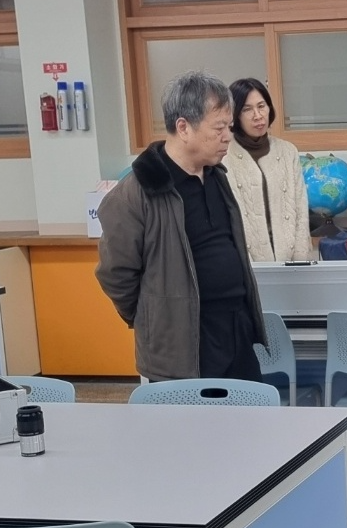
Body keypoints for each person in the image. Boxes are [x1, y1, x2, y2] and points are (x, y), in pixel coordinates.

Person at [96, 70, 266, 382]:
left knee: (247, 426)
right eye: (219, 128)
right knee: (191, 430)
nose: (228, 136)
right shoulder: (136, 193)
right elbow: (116, 274)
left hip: (236, 332)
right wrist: (154, 317)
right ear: (183, 127)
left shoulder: (218, 176)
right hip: (183, 343)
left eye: (229, 127)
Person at [222, 77, 313, 263]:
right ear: (235, 114)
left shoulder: (288, 151)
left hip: (290, 259)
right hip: (245, 261)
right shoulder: (223, 155)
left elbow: (300, 211)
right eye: (247, 109)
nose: (257, 115)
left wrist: (300, 262)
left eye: (261, 106)